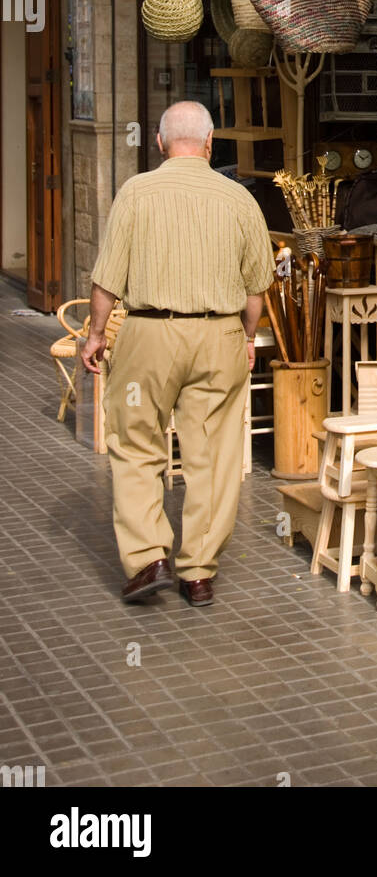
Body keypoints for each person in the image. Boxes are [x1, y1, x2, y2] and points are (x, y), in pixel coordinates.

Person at [82, 100, 274, 607]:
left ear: (161, 143)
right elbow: (256, 290)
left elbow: (107, 278)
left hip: (148, 336)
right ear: (211, 144)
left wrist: (96, 333)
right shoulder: (239, 199)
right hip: (220, 339)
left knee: (137, 444)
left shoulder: (136, 192)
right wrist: (248, 339)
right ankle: (198, 572)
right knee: (213, 456)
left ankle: (149, 559)